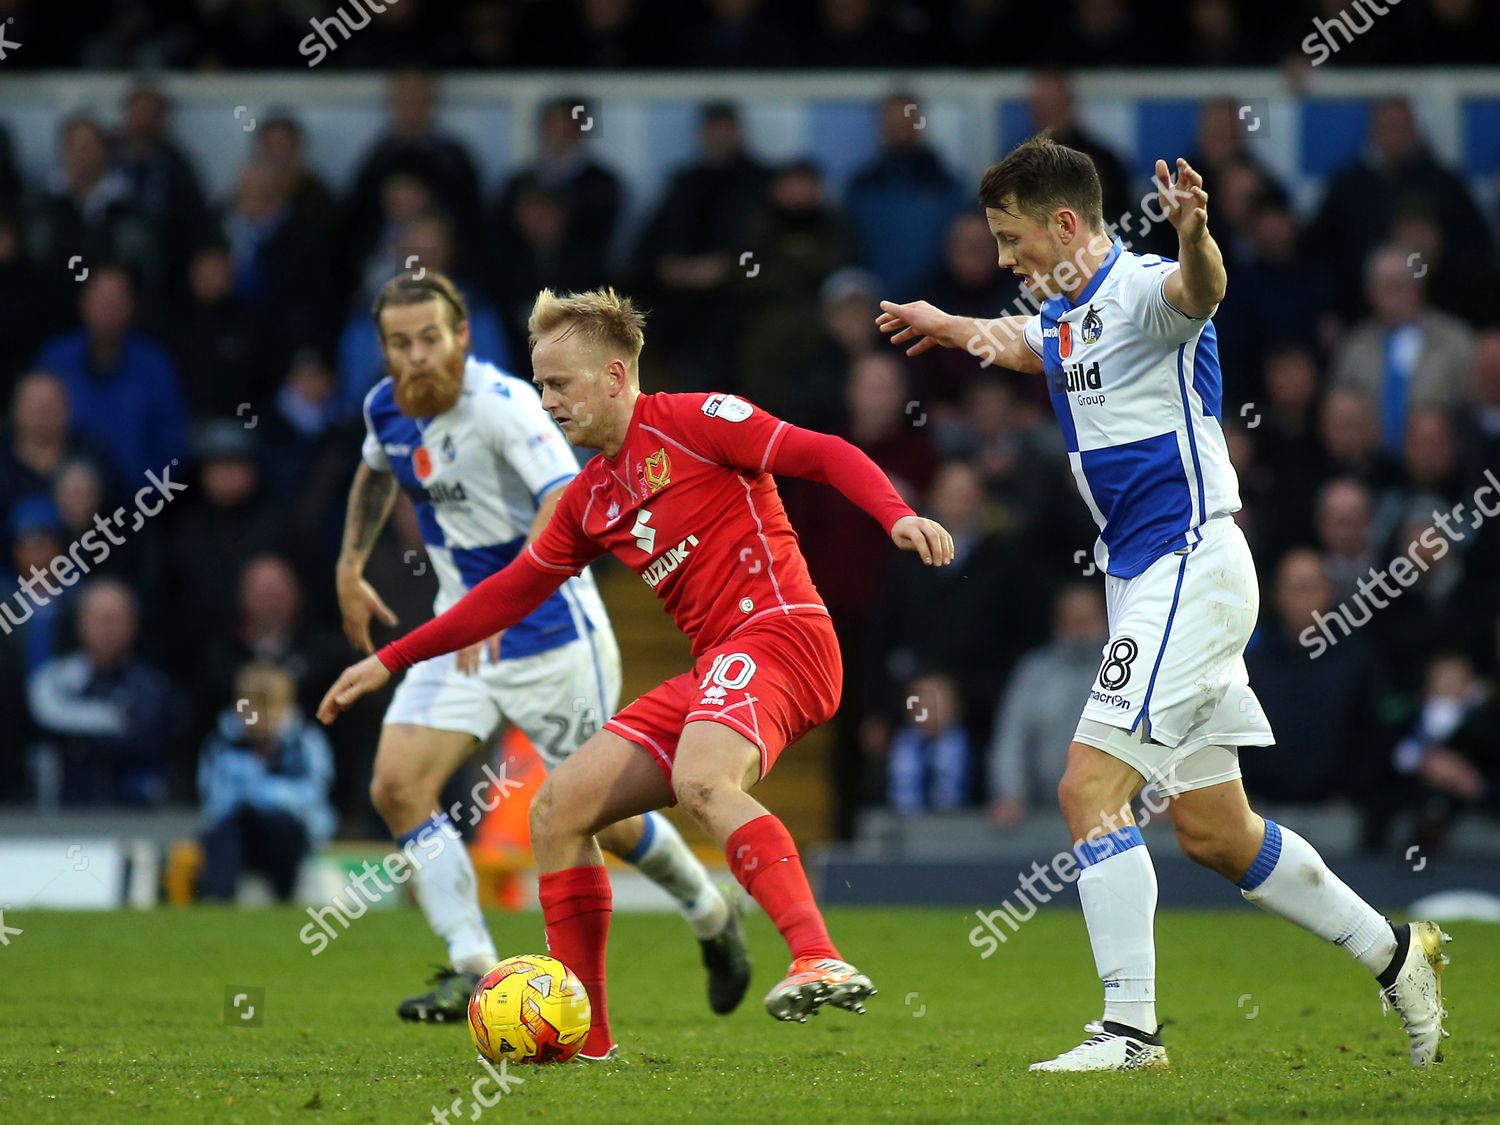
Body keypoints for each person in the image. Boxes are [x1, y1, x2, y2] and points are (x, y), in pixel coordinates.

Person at [876, 136, 1450, 1071]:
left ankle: (1131, 1032)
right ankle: (1396, 954)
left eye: (1012, 238)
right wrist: (949, 323)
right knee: (1216, 832)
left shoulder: (1148, 287)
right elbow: (1034, 347)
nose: (1005, 256)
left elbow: (1203, 291)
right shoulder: (1067, 314)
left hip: (1188, 563)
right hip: (1146, 577)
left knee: (1088, 789)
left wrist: (1196, 236)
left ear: (1066, 224)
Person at [319, 285, 954, 1059]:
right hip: (717, 664)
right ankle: (590, 1044)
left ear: (616, 377)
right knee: (559, 811)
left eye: (561, 385)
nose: (549, 402)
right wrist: (392, 657)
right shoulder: (590, 497)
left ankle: (817, 953)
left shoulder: (696, 421)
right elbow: (508, 593)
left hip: (783, 634)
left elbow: (821, 452)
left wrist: (896, 514)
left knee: (703, 778)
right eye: (542, 385)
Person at [335, 271, 746, 1024]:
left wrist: (501, 609)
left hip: (553, 636)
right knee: (396, 784)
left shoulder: (506, 406)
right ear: (385, 349)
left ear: (461, 337)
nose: (419, 356)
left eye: (432, 338)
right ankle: (472, 965)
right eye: (401, 343)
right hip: (460, 632)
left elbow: (564, 497)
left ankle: (710, 909)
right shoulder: (385, 407)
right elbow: (373, 473)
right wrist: (350, 565)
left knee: (603, 819)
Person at [198, 661, 337, 902]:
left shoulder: (304, 743)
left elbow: (314, 795)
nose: (258, 716)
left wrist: (263, 793)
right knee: (224, 833)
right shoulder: (222, 743)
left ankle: (286, 896)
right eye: (250, 707)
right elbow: (213, 800)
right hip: (240, 831)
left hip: (290, 831)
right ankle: (216, 900)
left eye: (267, 707)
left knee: (281, 824)